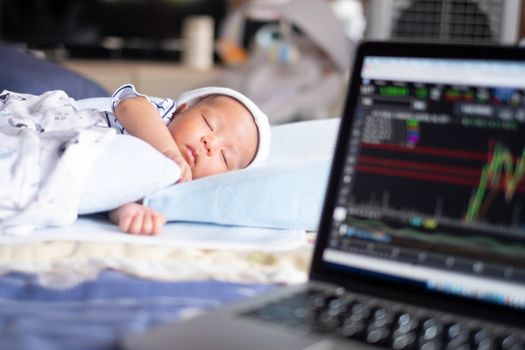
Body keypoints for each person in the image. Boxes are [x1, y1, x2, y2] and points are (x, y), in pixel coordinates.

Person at [105, 84, 271, 236]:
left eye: (224, 157)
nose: (210, 144)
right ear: (181, 111)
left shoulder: (179, 186)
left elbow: (109, 189)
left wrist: (128, 211)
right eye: (208, 123)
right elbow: (128, 106)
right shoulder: (160, 117)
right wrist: (168, 151)